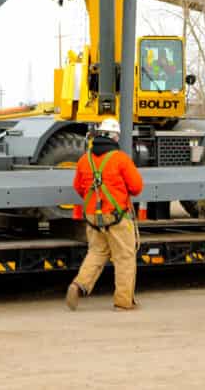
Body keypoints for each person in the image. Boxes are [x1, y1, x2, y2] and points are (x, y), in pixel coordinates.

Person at [66, 118, 144, 312]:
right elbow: (136, 187)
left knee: (96, 252)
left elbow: (78, 187)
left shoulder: (85, 159)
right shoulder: (120, 159)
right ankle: (124, 302)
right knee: (124, 257)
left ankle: (78, 285)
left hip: (93, 216)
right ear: (114, 136)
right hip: (117, 216)